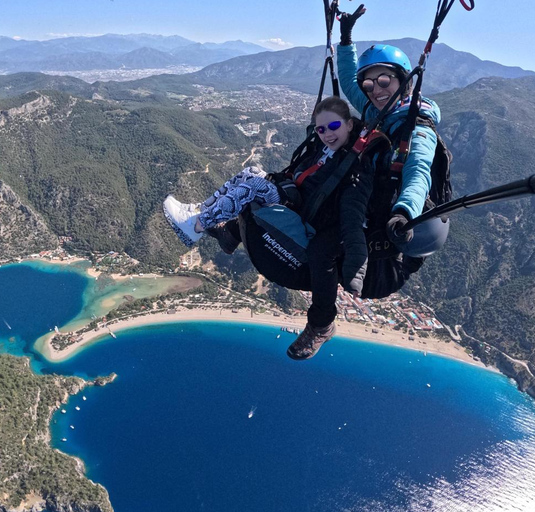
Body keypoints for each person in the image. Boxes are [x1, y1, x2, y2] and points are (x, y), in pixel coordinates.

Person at [163, 96, 379, 359]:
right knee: (250, 172)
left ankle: (196, 225)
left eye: (333, 126)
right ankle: (207, 217)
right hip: (294, 197)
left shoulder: (354, 163)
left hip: (303, 211)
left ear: (348, 124)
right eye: (320, 129)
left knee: (253, 187)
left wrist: (356, 266)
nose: (326, 134)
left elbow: (352, 211)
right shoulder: (324, 149)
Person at [337, 5, 444, 252]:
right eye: (369, 84)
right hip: (370, 195)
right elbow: (347, 81)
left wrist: (404, 213)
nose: (376, 89)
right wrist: (346, 39)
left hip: (393, 211)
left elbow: (418, 172)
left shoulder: (417, 127)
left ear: (403, 80)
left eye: (384, 80)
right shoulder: (376, 109)